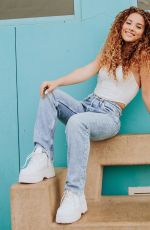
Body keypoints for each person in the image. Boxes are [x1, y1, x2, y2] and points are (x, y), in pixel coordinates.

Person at [19, 7, 150, 224]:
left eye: (139, 26)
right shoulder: (110, 50)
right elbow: (86, 70)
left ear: (144, 34)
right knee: (50, 94)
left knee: (77, 122)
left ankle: (75, 194)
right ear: (121, 24)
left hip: (108, 117)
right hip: (87, 106)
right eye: (129, 23)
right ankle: (42, 156)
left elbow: (147, 95)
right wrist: (57, 82)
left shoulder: (144, 58)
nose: (131, 28)